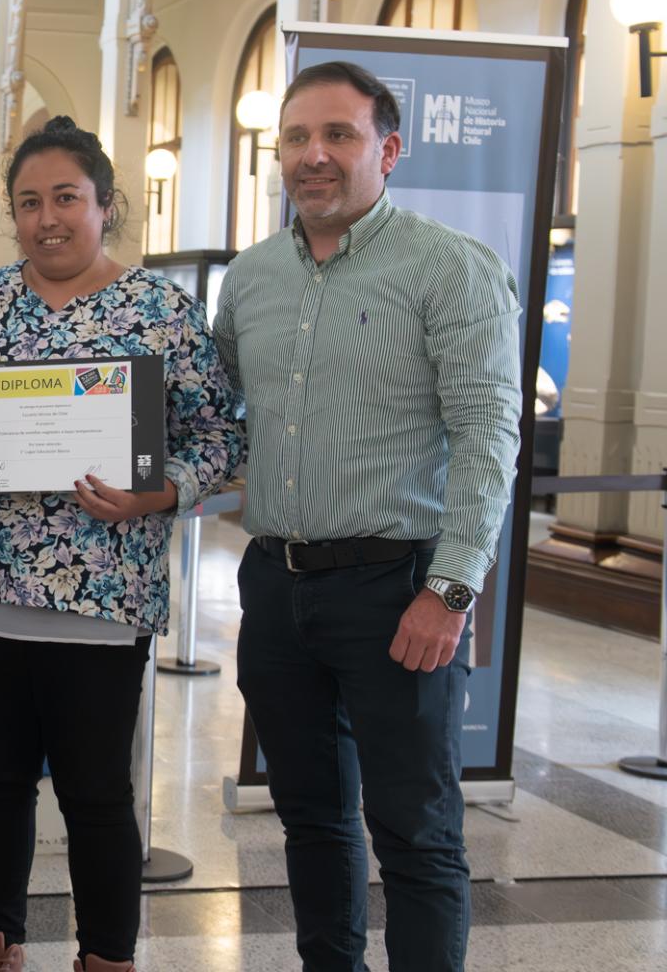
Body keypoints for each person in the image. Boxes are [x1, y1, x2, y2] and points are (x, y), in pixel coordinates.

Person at [0, 117, 242, 972]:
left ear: (105, 205)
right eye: (28, 202)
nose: (48, 218)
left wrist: (160, 492)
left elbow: (221, 439)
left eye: (66, 198)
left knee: (96, 793)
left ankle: (108, 957)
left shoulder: (159, 309)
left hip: (100, 595)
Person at [213, 61, 521, 972]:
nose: (315, 156)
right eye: (298, 138)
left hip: (400, 591)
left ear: (388, 149)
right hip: (276, 587)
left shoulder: (448, 268)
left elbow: (488, 434)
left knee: (416, 834)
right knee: (309, 821)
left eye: (338, 136)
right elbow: (225, 416)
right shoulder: (252, 276)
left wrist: (451, 589)